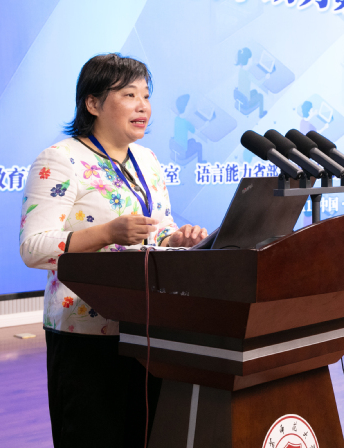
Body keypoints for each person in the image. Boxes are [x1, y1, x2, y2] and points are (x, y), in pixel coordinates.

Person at [19, 53, 208, 448]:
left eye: (146, 95)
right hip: (86, 331)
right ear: (93, 103)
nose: (143, 106)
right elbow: (34, 248)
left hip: (147, 324)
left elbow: (156, 230)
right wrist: (107, 232)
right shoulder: (60, 160)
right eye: (129, 95)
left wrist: (175, 239)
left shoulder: (148, 160)